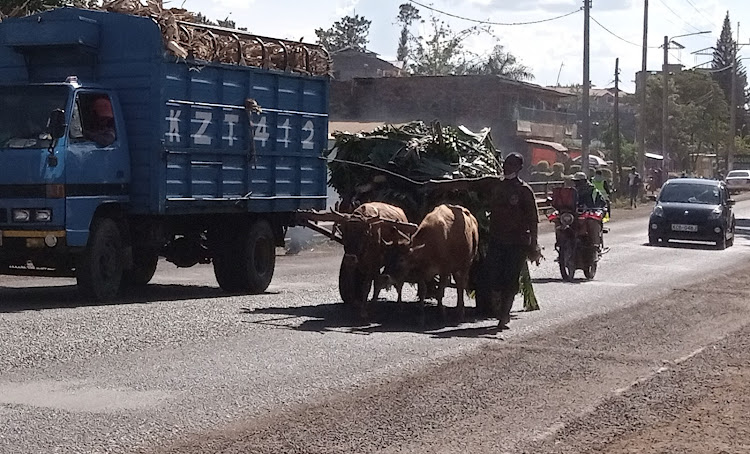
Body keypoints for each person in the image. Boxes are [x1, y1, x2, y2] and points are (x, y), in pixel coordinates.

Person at [425, 153, 541, 329]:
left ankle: (504, 315)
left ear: (519, 168)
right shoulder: (493, 183)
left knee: (510, 278)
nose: (506, 166)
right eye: (505, 163)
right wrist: (438, 185)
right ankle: (500, 305)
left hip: (517, 242)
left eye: (511, 164)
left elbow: (533, 219)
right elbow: (468, 184)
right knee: (492, 276)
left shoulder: (524, 191)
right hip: (497, 239)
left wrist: (534, 244)